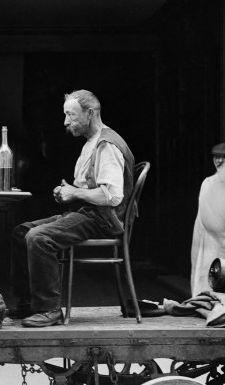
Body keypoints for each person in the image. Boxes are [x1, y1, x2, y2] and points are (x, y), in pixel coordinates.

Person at [8, 89, 135, 327]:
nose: (66, 122)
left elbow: (112, 196)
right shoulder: (91, 143)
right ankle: (27, 305)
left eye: (71, 115)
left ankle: (49, 310)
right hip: (88, 213)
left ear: (89, 113)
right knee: (21, 232)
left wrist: (75, 193)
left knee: (39, 237)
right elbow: (88, 186)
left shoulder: (107, 145)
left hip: (104, 220)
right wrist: (69, 190)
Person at [189, 142, 225, 297]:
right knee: (203, 273)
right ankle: (201, 301)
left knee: (224, 275)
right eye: (217, 157)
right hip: (204, 240)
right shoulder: (207, 183)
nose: (220, 161)